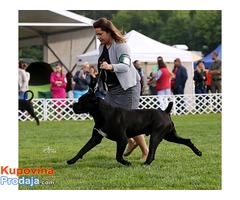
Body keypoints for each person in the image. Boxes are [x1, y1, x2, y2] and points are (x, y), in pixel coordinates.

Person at [93, 17, 148, 160]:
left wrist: (110, 67)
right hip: (113, 90)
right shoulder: (102, 47)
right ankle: (130, 141)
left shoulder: (121, 46)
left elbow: (126, 65)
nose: (98, 37)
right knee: (108, 118)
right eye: (96, 35)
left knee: (130, 120)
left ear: (109, 32)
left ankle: (145, 152)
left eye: (100, 34)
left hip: (128, 88)